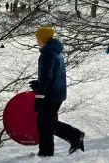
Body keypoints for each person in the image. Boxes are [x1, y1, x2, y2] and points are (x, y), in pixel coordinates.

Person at [31, 26, 85, 157]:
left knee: (46, 123)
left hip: (51, 95)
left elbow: (46, 77)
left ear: (43, 39)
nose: (36, 41)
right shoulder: (56, 52)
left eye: (37, 38)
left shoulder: (47, 54)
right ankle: (45, 153)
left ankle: (75, 136)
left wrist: (39, 96)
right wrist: (39, 85)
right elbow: (54, 75)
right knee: (44, 123)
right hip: (57, 92)